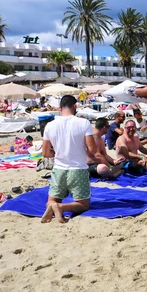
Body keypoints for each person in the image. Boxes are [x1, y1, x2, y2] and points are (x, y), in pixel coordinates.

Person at [41, 95, 100, 223]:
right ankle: (61, 207)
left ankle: (53, 206)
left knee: (51, 200)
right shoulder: (83, 123)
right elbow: (93, 150)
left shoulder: (50, 125)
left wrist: (58, 151)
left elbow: (45, 153)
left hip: (59, 169)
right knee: (84, 205)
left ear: (60, 108)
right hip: (78, 169)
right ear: (75, 106)